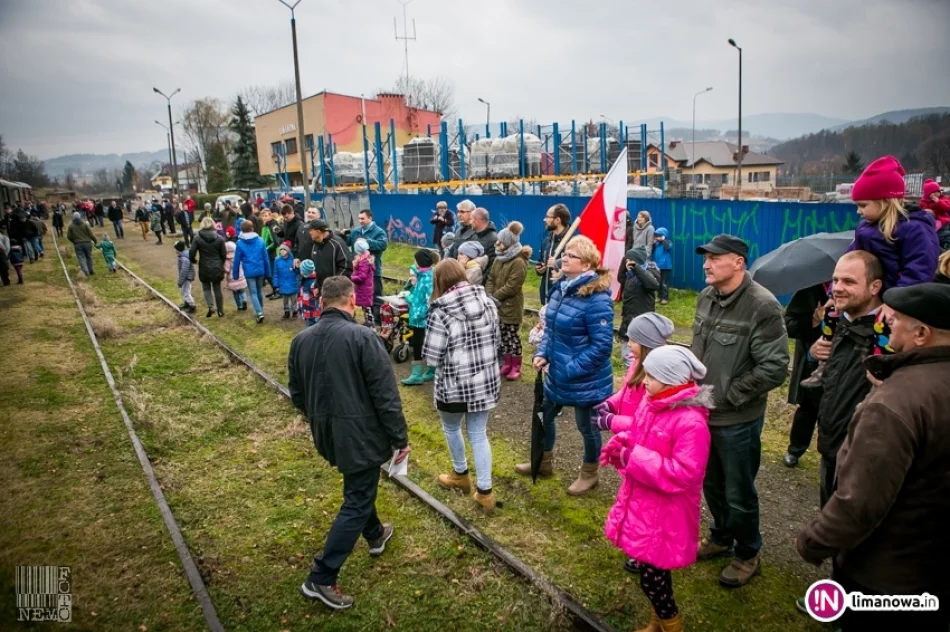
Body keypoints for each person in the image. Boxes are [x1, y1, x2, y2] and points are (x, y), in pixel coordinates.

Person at [796, 283, 950, 631]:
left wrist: (813, 541)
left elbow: (860, 500)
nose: (887, 325)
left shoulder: (895, 402)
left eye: (896, 321)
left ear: (922, 333)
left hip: (886, 572)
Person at [289, 276, 410, 611]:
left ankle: (375, 534)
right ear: (351, 301)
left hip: (327, 434)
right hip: (360, 434)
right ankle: (322, 576)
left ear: (322, 301)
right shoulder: (362, 337)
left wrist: (321, 419)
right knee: (357, 498)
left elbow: (297, 395)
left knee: (360, 483)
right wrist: (400, 438)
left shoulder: (300, 340)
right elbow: (386, 396)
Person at [691, 234, 789, 587]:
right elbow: (699, 350)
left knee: (738, 490)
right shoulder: (706, 298)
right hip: (702, 412)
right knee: (711, 483)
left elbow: (775, 368)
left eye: (715, 258)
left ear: (738, 263)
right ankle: (721, 536)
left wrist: (730, 395)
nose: (706, 264)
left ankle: (748, 552)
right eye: (706, 258)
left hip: (737, 419)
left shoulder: (762, 306)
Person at [601, 345, 712, 632]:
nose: (644, 380)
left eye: (651, 375)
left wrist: (632, 456)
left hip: (666, 514)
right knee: (654, 571)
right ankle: (656, 624)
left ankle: (672, 627)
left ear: (673, 380)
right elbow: (640, 434)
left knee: (652, 578)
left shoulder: (691, 423)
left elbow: (685, 473)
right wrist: (623, 441)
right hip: (647, 504)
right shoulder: (653, 403)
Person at [528, 236, 614, 495]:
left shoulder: (596, 298)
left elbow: (602, 346)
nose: (564, 257)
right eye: (564, 253)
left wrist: (571, 369)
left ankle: (590, 473)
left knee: (586, 427)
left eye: (571, 255)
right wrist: (543, 352)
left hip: (585, 378)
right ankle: (543, 461)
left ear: (587, 265)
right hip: (556, 372)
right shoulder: (561, 289)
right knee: (544, 415)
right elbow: (551, 330)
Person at [423, 259, 501, 514]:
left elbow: (432, 357)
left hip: (454, 384)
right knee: (479, 433)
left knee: (451, 426)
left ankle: (460, 475)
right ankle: (485, 492)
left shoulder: (441, 310)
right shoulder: (488, 302)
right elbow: (497, 340)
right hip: (485, 381)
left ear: (440, 281)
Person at [846, 155, 939, 290]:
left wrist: (896, 302)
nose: (858, 211)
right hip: (871, 298)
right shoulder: (864, 228)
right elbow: (849, 262)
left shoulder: (916, 229)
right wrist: (836, 290)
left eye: (863, 205)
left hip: (898, 303)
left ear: (885, 202)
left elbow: (920, 271)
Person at [780, 283, 828, 468]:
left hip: (842, 364)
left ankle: (829, 457)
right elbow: (788, 325)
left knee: (834, 411)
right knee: (808, 407)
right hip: (811, 363)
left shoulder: (856, 294)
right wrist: (813, 321)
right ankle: (795, 450)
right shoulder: (809, 290)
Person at [485, 221, 531, 381]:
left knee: (513, 336)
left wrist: (495, 296)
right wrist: (489, 294)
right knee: (502, 336)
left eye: (500, 241)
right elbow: (491, 277)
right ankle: (507, 363)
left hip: (511, 306)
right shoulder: (499, 259)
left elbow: (513, 286)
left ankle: (516, 366)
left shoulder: (518, 261)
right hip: (497, 304)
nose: (497, 243)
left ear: (509, 243)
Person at [618, 247, 662, 368]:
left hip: (642, 321)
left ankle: (636, 380)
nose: (628, 263)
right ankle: (634, 379)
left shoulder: (650, 271)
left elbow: (653, 284)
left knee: (632, 357)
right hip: (629, 319)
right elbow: (620, 278)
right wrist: (624, 262)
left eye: (630, 260)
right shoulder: (629, 275)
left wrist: (636, 267)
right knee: (628, 356)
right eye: (627, 260)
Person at [343, 209, 388, 321]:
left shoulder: (379, 232)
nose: (360, 221)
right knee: (361, 296)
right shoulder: (356, 231)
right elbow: (347, 242)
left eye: (363, 218)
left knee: (376, 297)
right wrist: (343, 235)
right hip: (358, 271)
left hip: (373, 271)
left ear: (370, 218)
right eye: (359, 218)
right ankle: (366, 319)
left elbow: (383, 245)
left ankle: (377, 320)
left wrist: (367, 242)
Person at [400, 249, 436, 386]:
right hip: (419, 316)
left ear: (419, 262)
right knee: (425, 343)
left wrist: (418, 311)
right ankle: (430, 371)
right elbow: (418, 297)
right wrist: (410, 296)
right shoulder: (423, 276)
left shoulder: (426, 279)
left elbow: (429, 300)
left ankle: (417, 375)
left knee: (418, 344)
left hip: (421, 318)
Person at [232, 220, 271, 324]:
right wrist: (268, 272)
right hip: (260, 269)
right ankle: (261, 309)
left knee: (253, 293)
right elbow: (265, 258)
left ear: (242, 230)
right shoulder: (260, 240)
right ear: (252, 228)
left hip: (249, 271)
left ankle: (259, 313)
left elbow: (236, 260)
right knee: (259, 291)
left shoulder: (240, 243)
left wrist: (235, 274)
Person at [189, 217, 228, 318]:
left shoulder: (197, 238)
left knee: (206, 288)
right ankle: (220, 311)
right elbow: (224, 254)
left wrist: (194, 261)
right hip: (217, 265)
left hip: (204, 265)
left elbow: (191, 253)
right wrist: (220, 263)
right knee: (217, 288)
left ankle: (211, 306)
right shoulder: (219, 239)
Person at [536, 203, 572, 305]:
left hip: (563, 299)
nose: (544, 220)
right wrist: (540, 268)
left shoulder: (572, 242)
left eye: (548, 217)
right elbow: (540, 261)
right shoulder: (546, 241)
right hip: (546, 296)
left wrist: (557, 265)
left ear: (558, 220)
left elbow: (576, 270)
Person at [307, 219, 352, 292]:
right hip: (323, 291)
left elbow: (346, 267)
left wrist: (333, 285)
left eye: (311, 230)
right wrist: (317, 286)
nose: (309, 232)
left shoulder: (337, 243)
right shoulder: (315, 245)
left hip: (338, 291)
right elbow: (319, 269)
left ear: (318, 232)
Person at [350, 238, 376, 326]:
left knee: (366, 308)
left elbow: (362, 277)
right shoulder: (365, 258)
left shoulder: (364, 262)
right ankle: (369, 324)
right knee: (365, 307)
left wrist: (351, 277)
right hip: (363, 288)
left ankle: (370, 325)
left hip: (363, 289)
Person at [273, 243, 300, 319]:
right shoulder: (277, 260)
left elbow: (298, 272)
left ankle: (295, 311)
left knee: (294, 299)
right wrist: (276, 285)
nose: (282, 251)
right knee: (285, 299)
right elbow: (275, 273)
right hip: (282, 284)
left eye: (284, 249)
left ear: (288, 250)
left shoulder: (293, 260)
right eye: (281, 249)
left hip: (292, 283)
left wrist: (297, 268)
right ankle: (286, 312)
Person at [67, 212, 97, 276]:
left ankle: (85, 271)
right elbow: (91, 234)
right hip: (87, 243)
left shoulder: (71, 226)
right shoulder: (84, 224)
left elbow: (69, 236)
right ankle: (91, 270)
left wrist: (74, 241)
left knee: (81, 257)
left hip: (78, 244)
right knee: (89, 256)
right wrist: (95, 241)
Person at [223, 238, 247, 311]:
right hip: (240, 277)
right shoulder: (239, 256)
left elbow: (227, 269)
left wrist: (224, 268)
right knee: (242, 291)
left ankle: (239, 306)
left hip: (232, 279)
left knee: (235, 293)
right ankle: (244, 300)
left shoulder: (227, 260)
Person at [175, 241, 197, 313]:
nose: (175, 250)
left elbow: (184, 270)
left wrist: (180, 281)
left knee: (186, 292)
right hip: (186, 277)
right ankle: (187, 303)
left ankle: (192, 306)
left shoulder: (184, 258)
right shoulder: (183, 256)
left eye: (175, 249)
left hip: (186, 277)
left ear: (178, 249)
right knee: (184, 291)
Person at [652, 227, 673, 305]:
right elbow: (652, 251)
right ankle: (659, 296)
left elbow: (668, 247)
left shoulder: (668, 242)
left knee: (664, 282)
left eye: (659, 236)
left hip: (665, 266)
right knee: (658, 282)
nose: (657, 237)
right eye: (657, 236)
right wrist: (654, 243)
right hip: (658, 265)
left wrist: (663, 240)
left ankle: (665, 298)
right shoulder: (657, 244)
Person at [297, 259, 320, 325]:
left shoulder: (313, 283)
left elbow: (317, 297)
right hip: (307, 311)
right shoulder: (304, 280)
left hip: (312, 313)